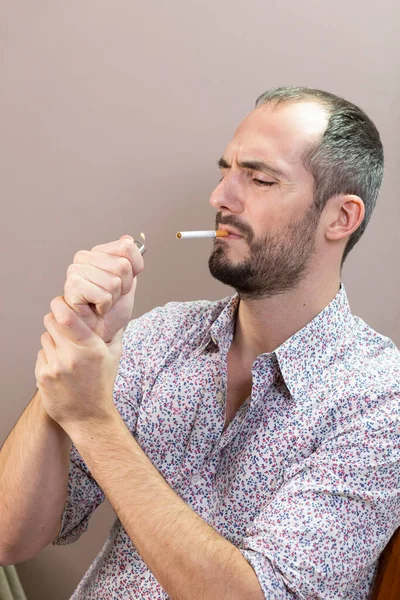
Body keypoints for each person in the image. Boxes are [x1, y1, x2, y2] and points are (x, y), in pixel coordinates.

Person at [1, 86, 399, 599]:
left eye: (258, 178)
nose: (220, 198)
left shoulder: (380, 402)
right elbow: (13, 536)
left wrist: (92, 417)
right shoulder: (160, 337)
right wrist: (81, 341)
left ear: (341, 218)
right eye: (225, 172)